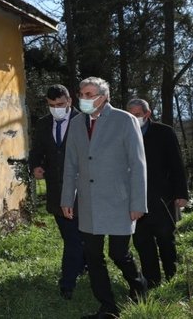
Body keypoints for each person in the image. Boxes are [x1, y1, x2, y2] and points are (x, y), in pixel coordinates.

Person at [60, 77, 148, 319]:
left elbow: (138, 165)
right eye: (82, 94)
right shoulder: (77, 124)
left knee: (119, 253)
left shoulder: (124, 120)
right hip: (88, 202)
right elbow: (71, 164)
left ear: (104, 96)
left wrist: (138, 203)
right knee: (93, 255)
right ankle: (108, 306)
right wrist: (67, 198)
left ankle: (139, 286)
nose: (84, 99)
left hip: (120, 201)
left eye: (90, 94)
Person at [29, 84, 86, 300]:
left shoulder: (84, 121)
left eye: (60, 104)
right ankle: (82, 264)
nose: (57, 109)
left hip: (82, 190)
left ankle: (67, 283)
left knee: (75, 238)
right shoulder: (43, 124)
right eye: (52, 105)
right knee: (71, 236)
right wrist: (35, 166)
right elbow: (36, 152)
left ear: (70, 101)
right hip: (56, 191)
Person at [126, 99, 189, 288]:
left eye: (137, 114)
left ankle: (172, 276)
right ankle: (152, 280)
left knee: (165, 239)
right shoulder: (124, 133)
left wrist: (181, 193)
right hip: (135, 198)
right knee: (142, 241)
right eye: (130, 114)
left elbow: (176, 164)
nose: (134, 118)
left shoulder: (164, 132)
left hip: (162, 197)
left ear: (147, 114)